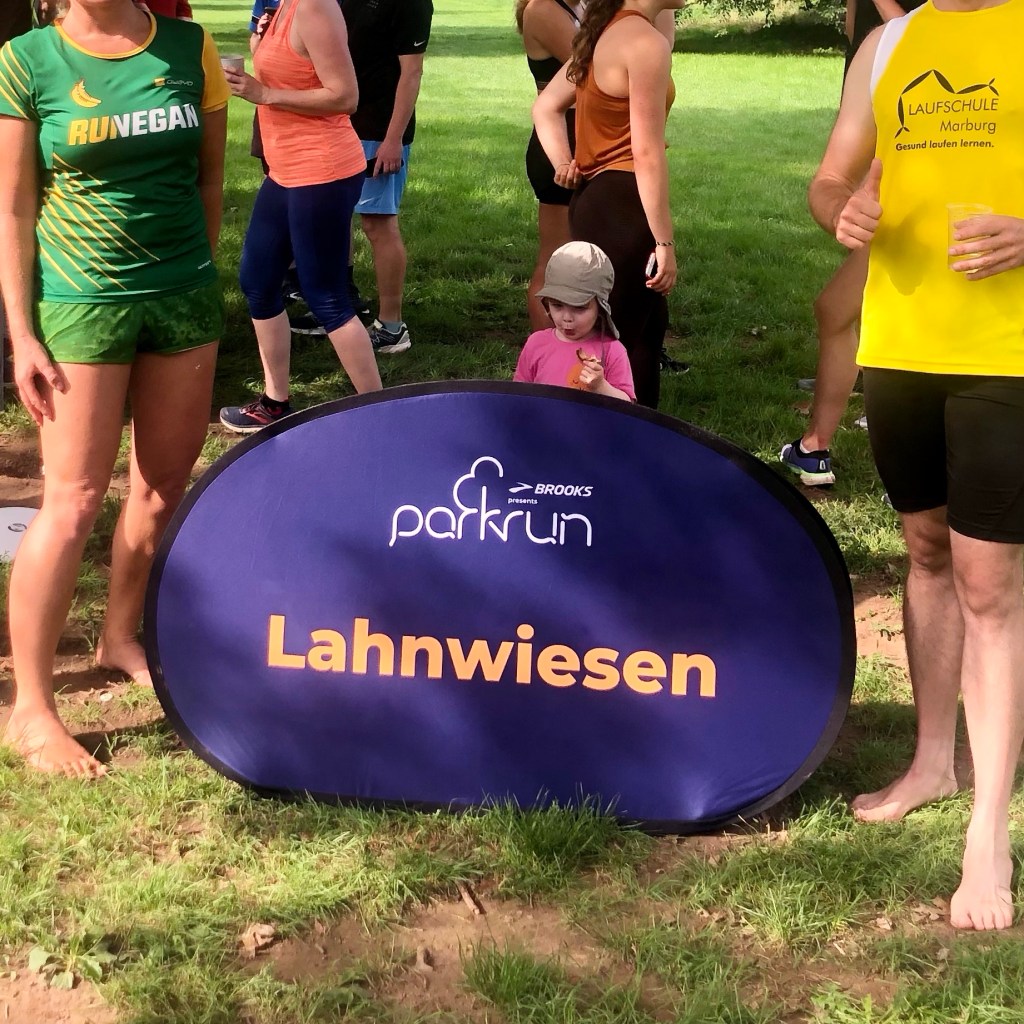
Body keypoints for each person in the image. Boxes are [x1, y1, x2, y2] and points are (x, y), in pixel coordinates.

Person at [809, 0, 1024, 930]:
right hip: (898, 349)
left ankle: (988, 832)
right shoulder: (890, 43)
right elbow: (830, 178)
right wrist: (843, 210)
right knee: (927, 551)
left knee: (990, 582)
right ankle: (933, 761)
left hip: (1007, 355)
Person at [0, 0, 228, 776]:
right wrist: (23, 333)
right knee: (72, 499)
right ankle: (32, 710)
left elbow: (209, 178)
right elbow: (12, 207)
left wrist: (196, 279)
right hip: (81, 305)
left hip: (182, 299)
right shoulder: (28, 60)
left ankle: (119, 636)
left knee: (162, 487)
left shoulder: (190, 48)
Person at [218, 0, 382, 433]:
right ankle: (275, 403)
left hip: (323, 170)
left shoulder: (314, 8)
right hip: (285, 170)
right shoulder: (280, 6)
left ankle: (380, 414)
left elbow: (345, 96)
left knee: (325, 296)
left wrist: (265, 94)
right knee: (257, 281)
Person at [780, 0, 922, 488]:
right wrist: (843, 204)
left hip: (928, 216)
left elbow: (909, 37)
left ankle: (820, 444)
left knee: (843, 311)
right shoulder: (879, 44)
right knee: (836, 309)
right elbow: (832, 177)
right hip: (891, 201)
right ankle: (817, 445)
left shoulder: (917, 30)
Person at [533, 0, 683, 409]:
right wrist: (664, 243)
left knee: (644, 334)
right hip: (623, 207)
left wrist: (564, 162)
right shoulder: (644, 43)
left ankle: (639, 434)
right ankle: (584, 436)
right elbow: (646, 153)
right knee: (611, 349)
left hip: (596, 201)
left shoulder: (604, 33)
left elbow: (545, 107)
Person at [293, 0, 433, 355]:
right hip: (338, 121)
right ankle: (341, 310)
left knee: (377, 224)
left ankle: (392, 327)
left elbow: (411, 73)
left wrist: (393, 139)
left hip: (378, 129)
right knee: (335, 217)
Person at [515, 0, 584, 333]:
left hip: (580, 139)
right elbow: (598, 65)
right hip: (560, 144)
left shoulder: (579, 7)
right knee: (555, 261)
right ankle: (545, 349)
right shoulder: (542, 9)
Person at [515, 241, 635, 401]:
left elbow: (627, 406)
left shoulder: (612, 350)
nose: (567, 317)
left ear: (600, 308)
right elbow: (518, 395)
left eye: (579, 308)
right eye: (557, 305)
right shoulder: (536, 343)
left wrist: (601, 387)